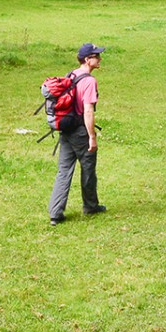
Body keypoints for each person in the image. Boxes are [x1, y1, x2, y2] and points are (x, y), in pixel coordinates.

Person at [49, 42, 106, 225]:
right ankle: (90, 206)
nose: (99, 58)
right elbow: (88, 111)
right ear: (88, 60)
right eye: (96, 56)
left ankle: (55, 213)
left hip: (66, 128)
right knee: (88, 168)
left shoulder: (71, 74)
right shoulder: (89, 81)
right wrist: (92, 137)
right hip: (81, 130)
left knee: (64, 171)